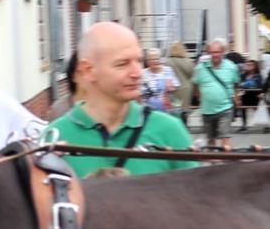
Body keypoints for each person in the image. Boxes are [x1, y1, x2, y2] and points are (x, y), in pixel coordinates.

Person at [50, 22, 197, 177]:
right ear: (88, 70)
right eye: (122, 64)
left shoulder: (169, 131)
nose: (137, 73)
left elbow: (198, 197)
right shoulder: (57, 137)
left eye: (139, 61)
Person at [187, 39, 240, 150]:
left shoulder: (231, 67)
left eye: (217, 52)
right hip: (207, 109)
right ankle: (213, 163)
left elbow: (236, 83)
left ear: (223, 52)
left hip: (225, 108)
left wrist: (236, 97)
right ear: (208, 53)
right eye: (212, 52)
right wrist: (200, 96)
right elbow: (195, 84)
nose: (215, 55)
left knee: (225, 137)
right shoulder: (201, 68)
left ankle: (225, 163)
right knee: (211, 139)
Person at [140, 50, 178, 115]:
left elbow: (175, 86)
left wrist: (171, 88)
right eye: (153, 59)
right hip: (148, 111)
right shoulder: (142, 73)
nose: (156, 61)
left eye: (157, 58)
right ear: (147, 61)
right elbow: (139, 93)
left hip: (166, 110)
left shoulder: (167, 70)